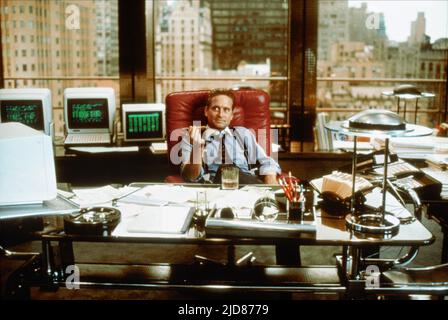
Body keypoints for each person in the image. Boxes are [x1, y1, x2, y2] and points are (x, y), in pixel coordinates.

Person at [180, 89, 281, 184]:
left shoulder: (243, 134)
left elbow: (267, 162)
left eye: (226, 110)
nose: (221, 114)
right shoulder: (191, 137)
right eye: (215, 108)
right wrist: (197, 149)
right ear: (206, 111)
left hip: (246, 188)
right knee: (224, 171)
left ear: (232, 115)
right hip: (213, 188)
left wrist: (270, 181)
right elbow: (190, 177)